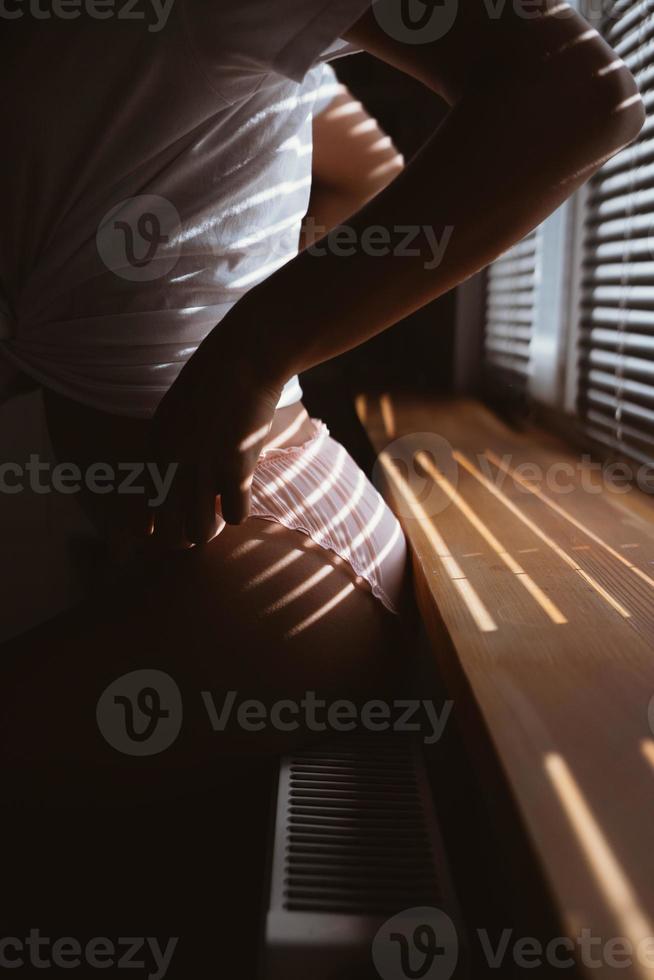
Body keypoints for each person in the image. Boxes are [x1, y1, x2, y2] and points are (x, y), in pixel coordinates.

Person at [0, 0, 645, 802]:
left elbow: (580, 96)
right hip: (222, 551)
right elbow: (362, 174)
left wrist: (251, 351)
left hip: (268, 551)